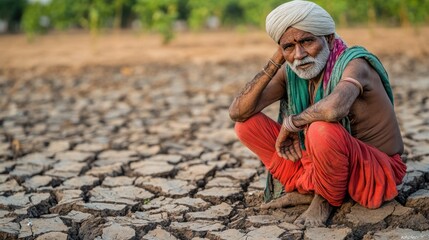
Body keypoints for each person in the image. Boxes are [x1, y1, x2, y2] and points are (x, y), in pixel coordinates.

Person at [229, 0, 406, 228]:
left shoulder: (355, 63)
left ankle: (325, 198)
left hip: (374, 169)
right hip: (320, 164)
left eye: (307, 41)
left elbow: (334, 109)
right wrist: (277, 60)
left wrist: (292, 123)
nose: (300, 54)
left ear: (329, 39)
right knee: (246, 126)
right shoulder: (291, 70)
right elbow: (238, 112)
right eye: (289, 47)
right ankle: (310, 187)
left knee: (321, 128)